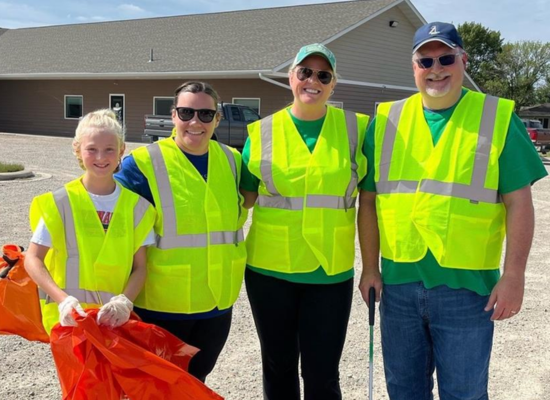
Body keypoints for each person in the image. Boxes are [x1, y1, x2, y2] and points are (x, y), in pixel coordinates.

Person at [358, 22, 548, 400]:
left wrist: (514, 275)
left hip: (468, 290)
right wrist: (369, 268)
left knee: (465, 393)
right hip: (398, 286)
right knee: (404, 391)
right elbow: (369, 201)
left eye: (446, 57)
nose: (436, 68)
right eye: (425, 60)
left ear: (463, 59)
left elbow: (518, 201)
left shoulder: (496, 117)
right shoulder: (385, 121)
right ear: (413, 66)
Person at [240, 43, 369, 400]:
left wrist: (373, 267)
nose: (313, 80)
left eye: (323, 75)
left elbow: (374, 201)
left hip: (330, 273)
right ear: (291, 77)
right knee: (278, 368)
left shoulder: (357, 130)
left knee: (323, 373)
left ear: (333, 84)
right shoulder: (260, 134)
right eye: (305, 72)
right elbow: (241, 200)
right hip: (270, 272)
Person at [115, 81, 247, 383]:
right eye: (186, 112)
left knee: (196, 382)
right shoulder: (143, 163)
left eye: (205, 114)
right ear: (173, 115)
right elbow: (104, 216)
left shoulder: (233, 160)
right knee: (156, 386)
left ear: (217, 119)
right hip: (162, 309)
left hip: (216, 305)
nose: (194, 122)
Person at [25, 109, 156, 334]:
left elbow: (140, 267)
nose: (100, 157)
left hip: (115, 322)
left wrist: (124, 302)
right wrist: (63, 300)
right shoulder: (60, 202)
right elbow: (33, 259)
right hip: (70, 323)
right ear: (78, 149)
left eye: (109, 149)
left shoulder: (138, 208)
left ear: (121, 151)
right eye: (91, 149)